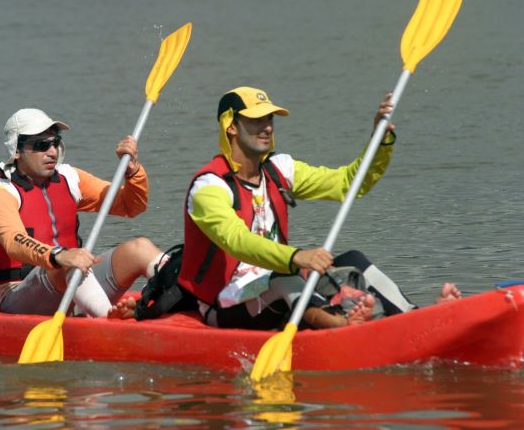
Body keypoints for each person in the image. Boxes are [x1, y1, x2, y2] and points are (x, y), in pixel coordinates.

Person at [175, 86, 461, 330]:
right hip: (224, 305)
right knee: (286, 278)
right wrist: (298, 257)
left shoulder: (279, 170)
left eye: (270, 118)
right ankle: (344, 327)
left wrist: (380, 142)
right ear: (231, 126)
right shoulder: (209, 187)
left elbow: (348, 184)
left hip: (274, 284)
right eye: (255, 120)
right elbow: (237, 242)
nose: (267, 126)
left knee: (354, 260)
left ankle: (417, 317)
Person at [0, 108, 167, 318]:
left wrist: (133, 172)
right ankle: (110, 322)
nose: (52, 152)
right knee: (68, 266)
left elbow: (130, 206)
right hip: (19, 294)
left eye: (55, 142)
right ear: (17, 150)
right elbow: (14, 242)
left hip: (76, 282)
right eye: (41, 145)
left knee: (139, 249)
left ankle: (179, 299)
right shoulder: (1, 192)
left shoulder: (70, 178)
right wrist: (59, 256)